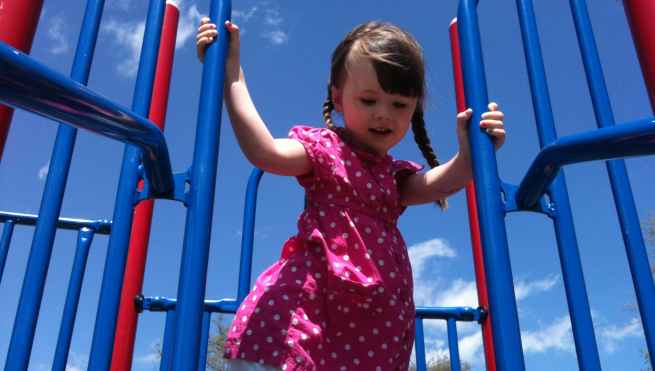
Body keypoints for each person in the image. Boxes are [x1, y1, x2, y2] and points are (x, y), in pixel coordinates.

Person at [196, 18, 505, 371]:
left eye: (400, 105)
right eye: (369, 99)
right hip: (297, 329)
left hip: (364, 341)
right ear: (337, 98)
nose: (384, 114)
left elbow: (439, 184)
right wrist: (230, 73)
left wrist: (470, 155)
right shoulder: (327, 152)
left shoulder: (393, 177)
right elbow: (264, 152)